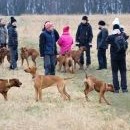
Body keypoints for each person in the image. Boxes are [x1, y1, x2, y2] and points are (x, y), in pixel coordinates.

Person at [106, 24, 129, 93]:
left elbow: (106, 41)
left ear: (113, 29)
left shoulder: (110, 37)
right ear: (119, 29)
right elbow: (127, 36)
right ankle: (124, 89)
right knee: (123, 73)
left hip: (114, 58)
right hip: (122, 57)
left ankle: (116, 89)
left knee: (115, 73)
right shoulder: (123, 35)